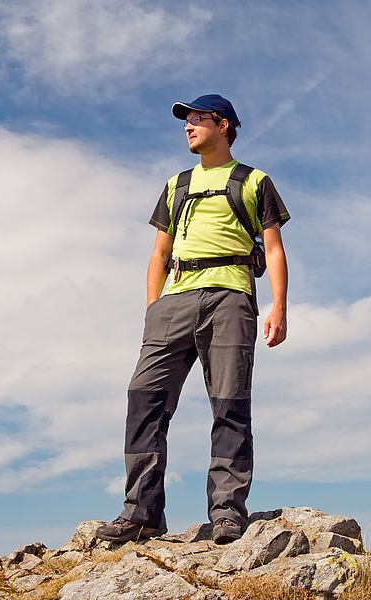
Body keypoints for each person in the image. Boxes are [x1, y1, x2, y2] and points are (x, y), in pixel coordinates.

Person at [96, 94, 290, 546]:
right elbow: (158, 254)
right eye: (186, 120)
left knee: (229, 404)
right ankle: (141, 513)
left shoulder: (254, 181)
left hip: (231, 296)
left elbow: (274, 249)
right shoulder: (175, 185)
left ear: (222, 124)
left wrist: (278, 307)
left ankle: (226, 513)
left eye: (197, 119)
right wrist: (154, 308)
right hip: (173, 301)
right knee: (143, 399)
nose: (188, 126)